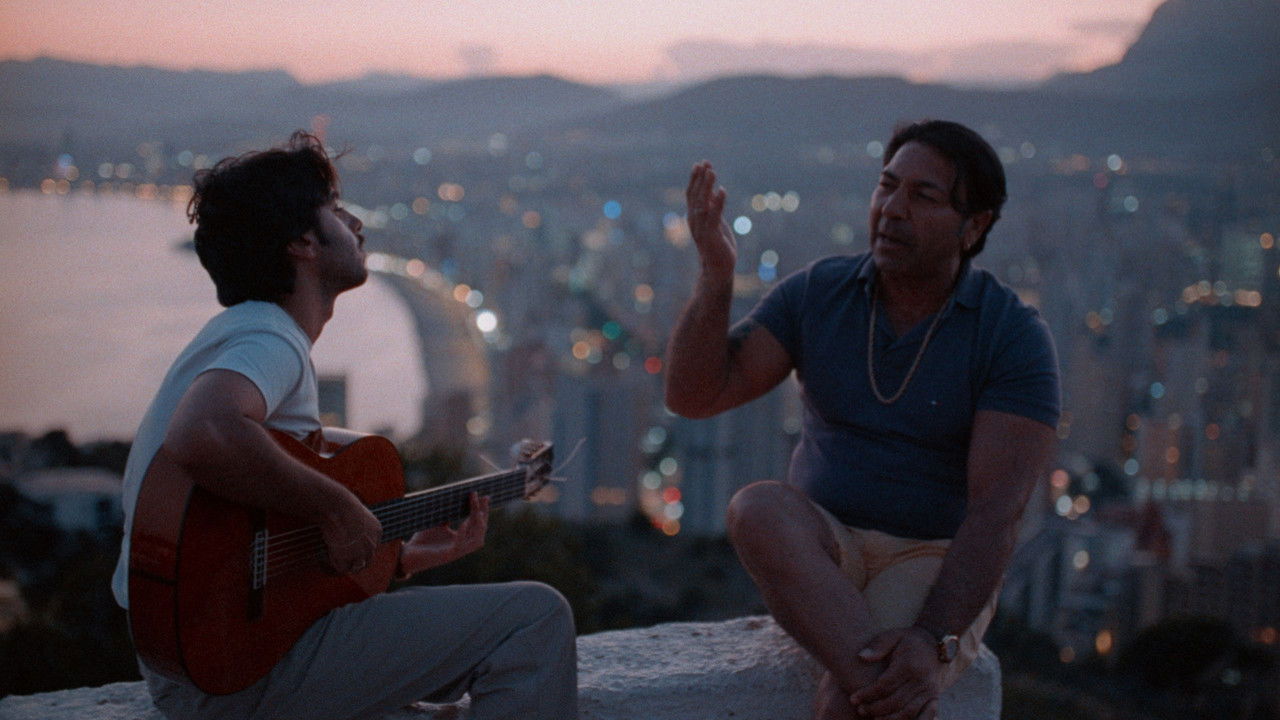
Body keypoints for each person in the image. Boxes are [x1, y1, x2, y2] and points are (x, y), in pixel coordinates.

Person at [110, 132, 577, 720]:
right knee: (535, 619)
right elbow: (203, 432)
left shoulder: (237, 335)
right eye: (334, 209)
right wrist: (337, 507)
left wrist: (400, 557)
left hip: (208, 664)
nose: (355, 222)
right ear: (303, 243)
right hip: (234, 676)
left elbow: (256, 548)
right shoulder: (270, 337)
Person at [665, 120, 1059, 720]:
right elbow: (695, 394)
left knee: (849, 702)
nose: (892, 209)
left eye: (923, 196)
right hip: (825, 549)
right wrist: (715, 277)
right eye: (887, 186)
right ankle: (885, 684)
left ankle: (875, 687)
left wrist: (931, 639)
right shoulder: (820, 294)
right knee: (756, 507)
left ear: (974, 226)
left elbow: (996, 513)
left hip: (931, 557)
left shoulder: (1010, 335)